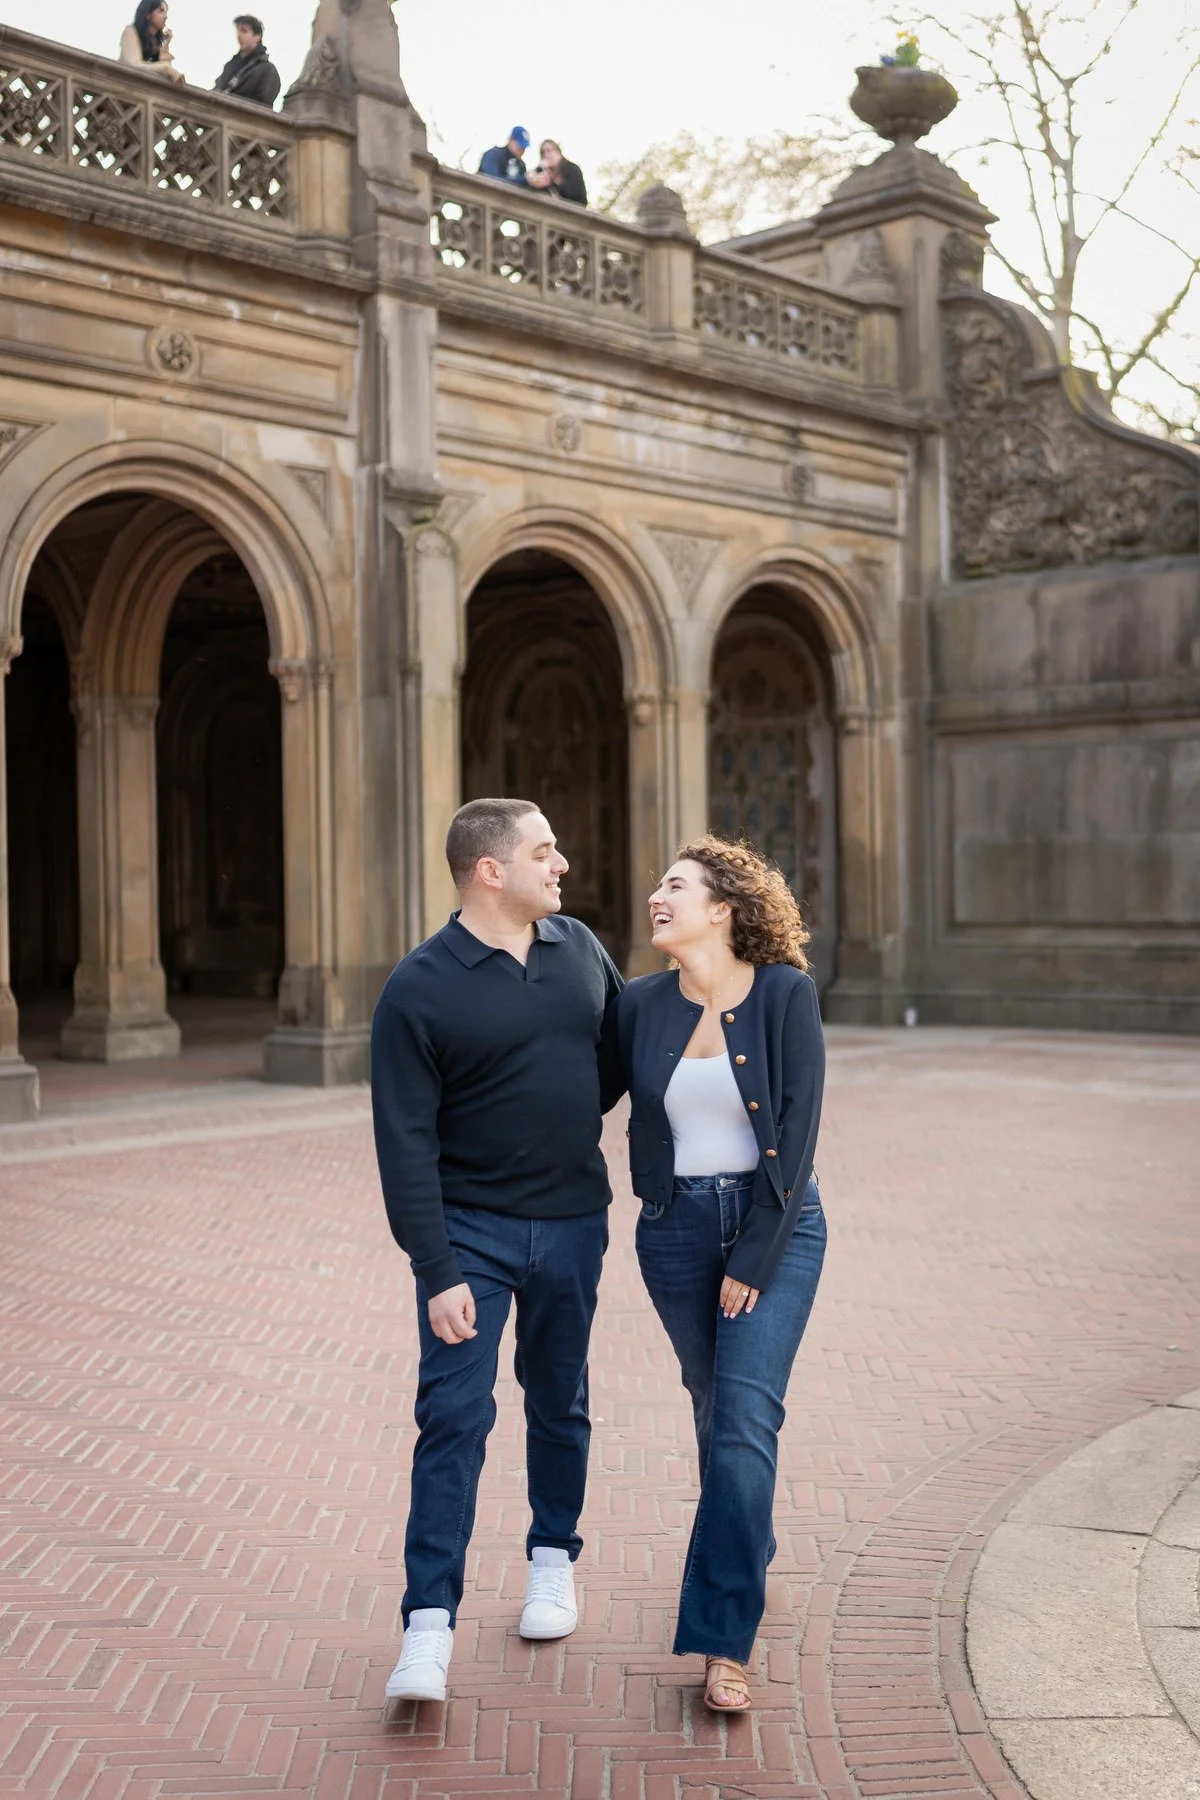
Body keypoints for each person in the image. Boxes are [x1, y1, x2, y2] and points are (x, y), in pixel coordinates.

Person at [371, 798, 624, 1703]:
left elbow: (617, 1060)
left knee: (561, 1401)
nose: (561, 865)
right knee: (454, 1420)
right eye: (544, 852)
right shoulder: (418, 987)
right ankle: (427, 1626)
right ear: (491, 871)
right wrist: (435, 1269)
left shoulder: (580, 950)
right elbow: (403, 1141)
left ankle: (553, 1557)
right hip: (468, 1235)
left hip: (572, 1225)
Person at [608, 836, 826, 1713]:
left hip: (773, 1226)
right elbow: (572, 1093)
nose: (656, 896)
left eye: (675, 886)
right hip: (673, 1233)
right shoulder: (638, 1006)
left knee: (742, 1416)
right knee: (715, 1406)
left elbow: (801, 1132)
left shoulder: (783, 994)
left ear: (723, 908)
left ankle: (723, 1640)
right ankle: (747, 1543)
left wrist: (755, 1253)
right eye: (657, 884)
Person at [213, 15, 281, 108]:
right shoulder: (229, 66)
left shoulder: (267, 70)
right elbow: (215, 92)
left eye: (244, 31)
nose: (239, 35)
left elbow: (263, 106)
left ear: (257, 36)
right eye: (238, 30)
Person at [119, 0, 185, 82]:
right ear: (148, 14)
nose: (165, 16)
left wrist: (165, 44)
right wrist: (166, 68)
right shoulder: (131, 31)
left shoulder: (155, 41)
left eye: (166, 12)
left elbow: (166, 76)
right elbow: (133, 65)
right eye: (161, 11)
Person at [529, 139, 588, 207]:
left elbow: (574, 196)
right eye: (543, 152)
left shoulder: (572, 169)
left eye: (549, 150)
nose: (546, 155)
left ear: (558, 151)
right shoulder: (543, 171)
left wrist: (552, 182)